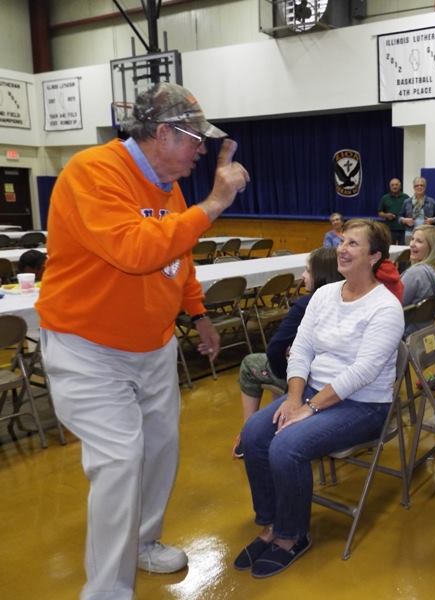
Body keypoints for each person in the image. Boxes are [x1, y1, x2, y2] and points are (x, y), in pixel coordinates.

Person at [35, 82, 250, 600]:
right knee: (120, 460)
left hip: (152, 346)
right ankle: (107, 592)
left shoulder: (168, 186)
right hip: (88, 347)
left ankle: (143, 540)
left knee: (160, 450)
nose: (201, 150)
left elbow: (178, 254)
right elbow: (135, 251)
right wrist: (215, 203)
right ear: (162, 133)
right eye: (194, 139)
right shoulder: (94, 172)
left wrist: (197, 312)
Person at [235, 219, 404, 578]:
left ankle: (291, 536)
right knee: (254, 434)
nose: (342, 249)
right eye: (343, 242)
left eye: (353, 244)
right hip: (313, 393)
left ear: (374, 256)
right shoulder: (325, 295)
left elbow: (363, 372)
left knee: (286, 446)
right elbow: (301, 349)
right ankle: (271, 524)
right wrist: (294, 398)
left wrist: (309, 408)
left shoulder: (386, 308)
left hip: (364, 405)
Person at [234, 247, 343, 458]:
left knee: (249, 364)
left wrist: (286, 375)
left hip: (306, 380)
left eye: (308, 270)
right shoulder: (347, 299)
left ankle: (246, 436)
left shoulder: (306, 304)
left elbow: (275, 350)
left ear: (320, 275)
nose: (303, 276)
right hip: (332, 380)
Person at [401, 224, 435, 307]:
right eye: (412, 239)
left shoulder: (414, 274)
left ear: (432, 248)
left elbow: (395, 304)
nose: (412, 244)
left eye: (419, 241)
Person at [400, 177, 435, 243]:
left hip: (426, 233)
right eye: (417, 185)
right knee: (410, 249)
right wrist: (404, 220)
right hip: (410, 233)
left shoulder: (431, 201)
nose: (419, 187)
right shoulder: (407, 202)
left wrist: (433, 220)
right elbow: (399, 217)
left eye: (422, 185)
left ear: (425, 187)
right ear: (414, 187)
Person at [378, 177, 409, 245]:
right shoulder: (385, 198)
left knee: (403, 249)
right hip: (389, 229)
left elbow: (410, 212)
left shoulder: (406, 197)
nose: (394, 187)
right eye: (392, 185)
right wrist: (386, 215)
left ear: (400, 186)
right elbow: (379, 212)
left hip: (403, 229)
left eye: (396, 184)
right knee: (390, 248)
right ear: (390, 187)